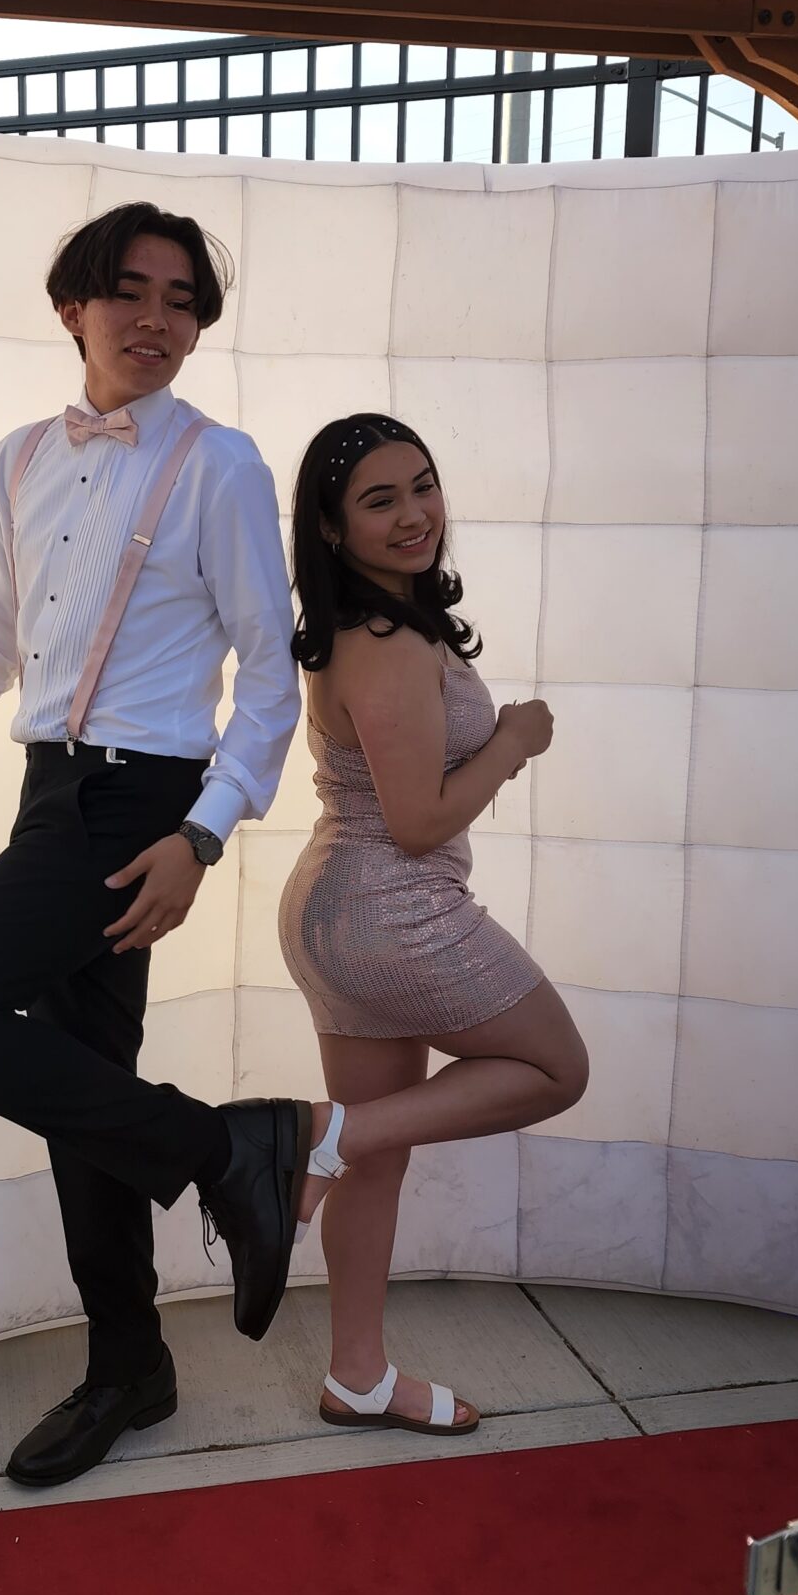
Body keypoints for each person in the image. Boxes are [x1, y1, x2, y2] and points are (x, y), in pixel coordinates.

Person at [0, 203, 310, 1490]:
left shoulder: (221, 465)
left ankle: (228, 1150)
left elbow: (270, 680)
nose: (157, 320)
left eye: (182, 301)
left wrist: (202, 834)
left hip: (138, 805)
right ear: (74, 309)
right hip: (50, 793)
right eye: (130, 293)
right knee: (83, 1090)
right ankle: (131, 1363)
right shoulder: (20, 459)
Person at [278, 414, 590, 1438]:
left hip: (343, 911)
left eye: (423, 485)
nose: (415, 513)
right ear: (332, 529)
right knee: (556, 1068)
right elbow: (417, 822)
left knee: (377, 1159)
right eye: (381, 500)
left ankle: (357, 1377)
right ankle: (320, 1139)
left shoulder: (380, 627)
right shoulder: (385, 642)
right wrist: (514, 740)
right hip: (390, 908)